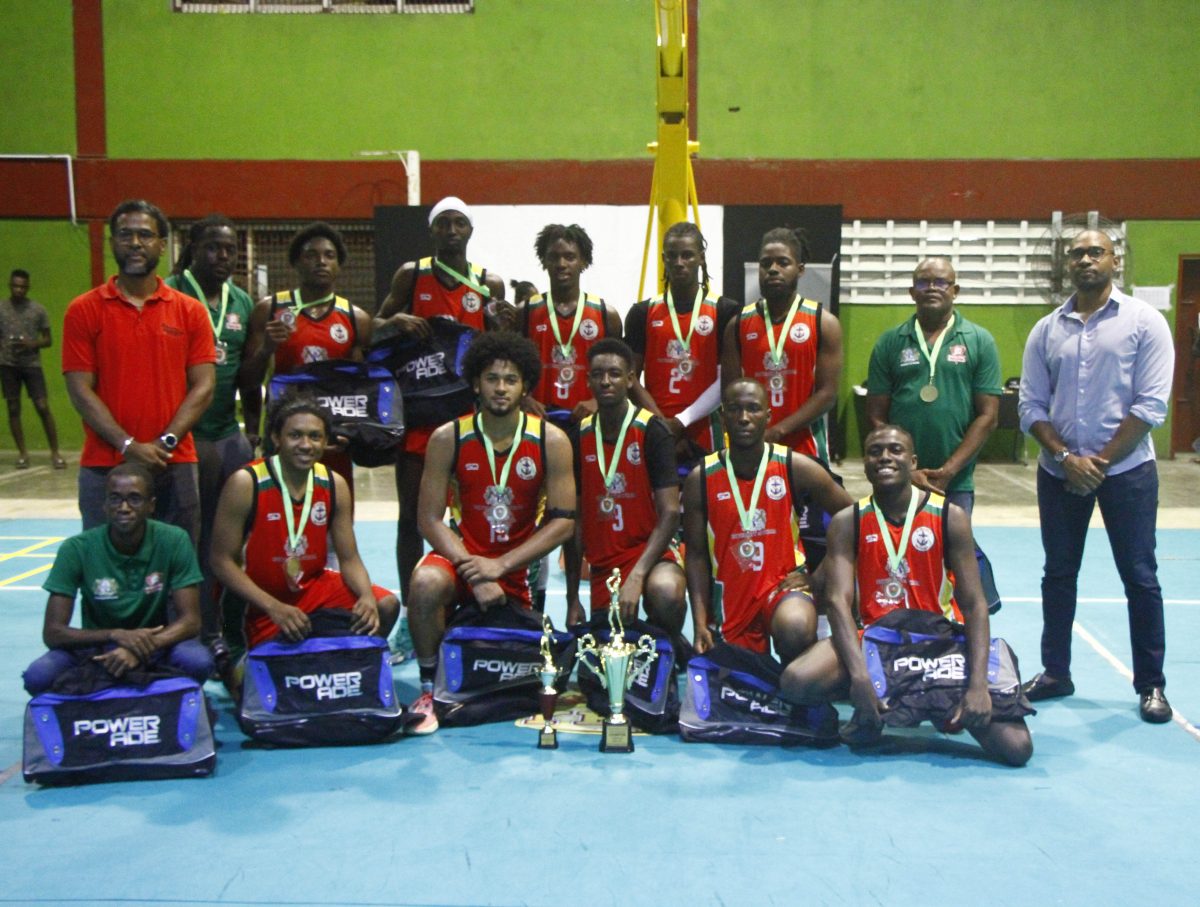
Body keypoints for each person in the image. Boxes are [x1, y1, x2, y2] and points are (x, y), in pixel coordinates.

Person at [779, 425, 1033, 766]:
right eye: (875, 451)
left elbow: (974, 606)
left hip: (938, 642)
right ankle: (878, 705)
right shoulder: (847, 522)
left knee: (1016, 749)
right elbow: (838, 603)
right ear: (865, 464)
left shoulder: (949, 517)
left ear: (912, 461)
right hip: (877, 640)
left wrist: (976, 687)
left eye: (895, 450)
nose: (885, 457)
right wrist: (858, 680)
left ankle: (923, 702)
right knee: (797, 681)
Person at [1018, 229, 1175, 724]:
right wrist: (1067, 459)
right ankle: (1056, 672)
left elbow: (1150, 406)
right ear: (1068, 263)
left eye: (1095, 252)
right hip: (1060, 471)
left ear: (1115, 259)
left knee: (1140, 577)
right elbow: (1029, 405)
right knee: (1058, 575)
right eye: (1077, 253)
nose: (1085, 259)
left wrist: (1098, 462)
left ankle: (1151, 685)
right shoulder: (1047, 329)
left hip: (1127, 472)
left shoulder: (1145, 323)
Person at [407, 333, 576, 733]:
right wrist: (473, 569)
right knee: (425, 582)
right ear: (475, 383)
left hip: (519, 567)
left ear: (526, 386)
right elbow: (429, 519)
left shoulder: (550, 440)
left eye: (511, 379)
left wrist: (499, 566)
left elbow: (564, 521)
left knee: (535, 664)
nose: (501, 388)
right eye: (492, 378)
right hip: (461, 556)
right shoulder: (448, 437)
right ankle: (430, 687)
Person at [374, 197, 508, 608]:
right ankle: (414, 605)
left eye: (459, 224)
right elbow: (373, 329)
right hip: (420, 416)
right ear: (431, 230)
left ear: (470, 231)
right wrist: (394, 322)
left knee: (477, 515)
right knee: (412, 517)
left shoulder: (488, 283)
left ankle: (472, 598)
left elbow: (499, 345)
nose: (451, 231)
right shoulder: (411, 276)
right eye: (443, 224)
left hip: (471, 418)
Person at [63, 199, 216, 543]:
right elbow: (79, 390)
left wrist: (166, 442)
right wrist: (128, 444)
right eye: (125, 235)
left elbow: (204, 386)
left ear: (162, 245)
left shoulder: (189, 311)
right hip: (105, 466)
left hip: (174, 462)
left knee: (177, 574)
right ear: (112, 242)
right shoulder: (83, 310)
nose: (135, 243)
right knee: (104, 574)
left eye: (145, 235)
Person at [209, 399, 399, 661]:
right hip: (256, 604)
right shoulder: (246, 483)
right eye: (295, 435)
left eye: (315, 437)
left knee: (384, 606)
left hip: (310, 591)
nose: (306, 445)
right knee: (257, 690)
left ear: (326, 442)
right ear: (276, 438)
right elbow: (220, 562)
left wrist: (366, 596)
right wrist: (274, 607)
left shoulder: (334, 483)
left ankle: (351, 672)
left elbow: (349, 558)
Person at [683, 378, 851, 662]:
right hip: (731, 597)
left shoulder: (794, 466)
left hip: (782, 587)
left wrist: (818, 576)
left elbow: (856, 519)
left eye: (753, 409)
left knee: (795, 626)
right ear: (722, 418)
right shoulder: (701, 478)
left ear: (768, 416)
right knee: (737, 681)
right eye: (735, 409)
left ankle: (795, 686)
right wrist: (699, 623)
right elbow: (697, 556)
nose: (744, 418)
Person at [22, 463, 212, 694]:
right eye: (115, 499)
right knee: (38, 676)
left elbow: (191, 621)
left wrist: (137, 648)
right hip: (95, 647)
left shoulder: (174, 540)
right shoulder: (76, 548)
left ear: (151, 505)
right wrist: (115, 635)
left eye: (134, 499)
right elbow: (53, 632)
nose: (124, 507)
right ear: (104, 505)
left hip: (155, 644)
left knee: (199, 662)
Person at [164, 215, 258, 656]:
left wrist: (254, 429)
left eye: (230, 251)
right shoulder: (171, 294)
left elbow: (246, 375)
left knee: (238, 540)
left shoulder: (240, 300)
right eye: (214, 248)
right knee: (193, 539)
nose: (223, 258)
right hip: (186, 436)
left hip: (229, 434)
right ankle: (197, 630)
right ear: (192, 248)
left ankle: (234, 629)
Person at [243, 222, 372, 497]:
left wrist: (352, 435)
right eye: (311, 255)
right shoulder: (270, 310)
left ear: (339, 265)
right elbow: (247, 381)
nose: (321, 262)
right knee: (279, 513)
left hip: (331, 438)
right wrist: (266, 349)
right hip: (283, 434)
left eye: (329, 255)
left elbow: (360, 390)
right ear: (295, 263)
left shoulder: (355, 318)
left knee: (333, 514)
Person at [865, 257, 1001, 513]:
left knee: (952, 551)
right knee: (893, 548)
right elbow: (876, 415)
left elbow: (988, 416)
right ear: (911, 292)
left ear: (955, 291)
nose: (931, 288)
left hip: (956, 480)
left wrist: (949, 470)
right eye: (923, 282)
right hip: (896, 477)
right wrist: (907, 469)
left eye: (941, 282)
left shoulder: (980, 341)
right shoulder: (890, 341)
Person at [570, 338, 685, 637]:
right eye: (597, 374)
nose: (605, 381)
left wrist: (637, 575)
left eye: (615, 374)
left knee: (667, 592)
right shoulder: (577, 436)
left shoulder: (652, 431)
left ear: (630, 379)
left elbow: (671, 512)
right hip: (604, 564)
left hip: (650, 552)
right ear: (588, 379)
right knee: (607, 649)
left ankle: (669, 658)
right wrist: (572, 598)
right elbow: (576, 520)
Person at [625, 222, 739, 472]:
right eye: (672, 255)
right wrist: (661, 425)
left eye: (687, 255)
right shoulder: (642, 313)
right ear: (663, 259)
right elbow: (629, 378)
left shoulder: (725, 311)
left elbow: (727, 381)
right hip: (653, 427)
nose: (679, 262)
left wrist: (680, 422)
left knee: (706, 505)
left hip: (705, 430)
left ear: (701, 257)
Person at [722, 227, 842, 462]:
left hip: (805, 446)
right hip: (752, 446)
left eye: (783, 263)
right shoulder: (737, 326)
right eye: (766, 263)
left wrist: (779, 430)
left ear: (800, 269)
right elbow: (730, 394)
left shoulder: (823, 323)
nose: (773, 270)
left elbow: (827, 394)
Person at [521, 223, 623, 428]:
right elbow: (511, 366)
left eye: (570, 257)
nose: (561, 263)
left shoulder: (606, 315)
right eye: (553, 257)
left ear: (583, 262)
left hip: (589, 423)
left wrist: (597, 401)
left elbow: (621, 372)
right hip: (537, 422)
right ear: (544, 261)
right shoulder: (525, 312)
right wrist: (523, 397)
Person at [1, 269, 65, 469]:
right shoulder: (1, 308)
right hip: (7, 364)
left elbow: (48, 340)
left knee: (42, 406)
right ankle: (22, 453)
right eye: (15, 286)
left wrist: (32, 343)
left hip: (31, 365)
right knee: (13, 407)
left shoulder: (38, 310)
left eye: (22, 286)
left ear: (27, 287)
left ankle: (55, 452)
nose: (18, 290)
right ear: (10, 286)